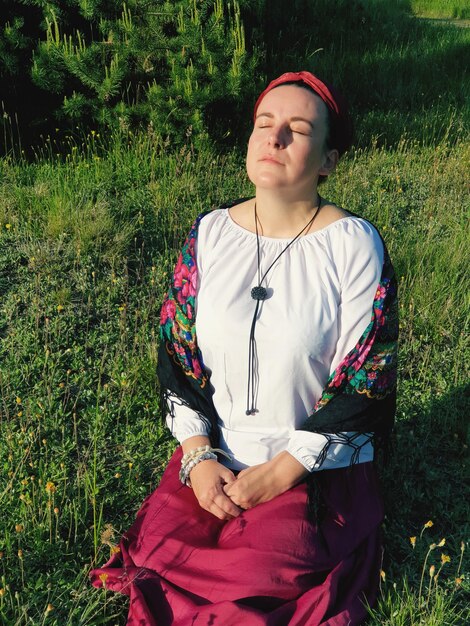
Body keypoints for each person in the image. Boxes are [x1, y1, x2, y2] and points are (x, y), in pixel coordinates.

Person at [90, 71, 398, 625]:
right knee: (164, 551)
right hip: (216, 458)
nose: (274, 138)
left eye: (297, 130)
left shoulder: (353, 246)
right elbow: (177, 353)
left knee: (266, 577)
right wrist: (200, 456)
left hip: (309, 468)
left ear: (327, 161)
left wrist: (280, 473)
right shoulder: (210, 234)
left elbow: (365, 377)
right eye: (264, 124)